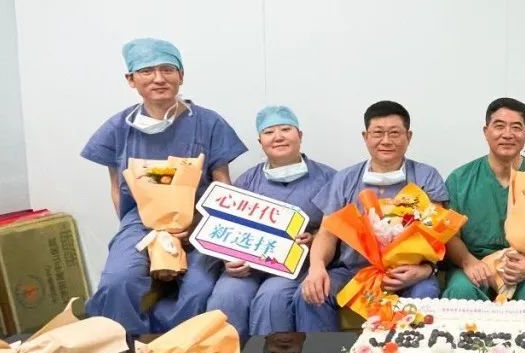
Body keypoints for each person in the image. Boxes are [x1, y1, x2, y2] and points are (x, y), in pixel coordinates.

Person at [81, 38, 247, 335]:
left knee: (198, 290)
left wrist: (203, 226)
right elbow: (117, 187)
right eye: (146, 71)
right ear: (130, 80)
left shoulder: (208, 123)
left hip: (200, 219)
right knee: (118, 280)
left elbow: (223, 185)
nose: (158, 78)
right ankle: (128, 350)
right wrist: (144, 232)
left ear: (180, 75)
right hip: (141, 223)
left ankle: (177, 349)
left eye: (168, 69)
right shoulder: (118, 129)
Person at [296, 101, 446, 330]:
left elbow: (437, 234)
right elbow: (327, 233)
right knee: (311, 293)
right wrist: (316, 267)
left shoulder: (426, 177)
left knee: (425, 293)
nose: (386, 140)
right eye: (378, 133)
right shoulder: (345, 179)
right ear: (365, 137)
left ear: (408, 136)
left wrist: (425, 270)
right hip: (352, 271)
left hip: (407, 273)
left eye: (394, 133)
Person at [204, 106, 335, 337]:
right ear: (260, 141)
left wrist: (314, 238)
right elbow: (224, 227)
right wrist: (229, 258)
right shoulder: (247, 181)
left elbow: (337, 228)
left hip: (294, 266)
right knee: (226, 297)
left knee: (272, 299)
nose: (278, 137)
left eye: (286, 129)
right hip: (248, 267)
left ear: (300, 135)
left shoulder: (329, 179)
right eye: (269, 132)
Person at [442, 97, 525, 300]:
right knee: (460, 291)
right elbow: (450, 235)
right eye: (499, 126)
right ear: (486, 131)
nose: (507, 134)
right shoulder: (460, 179)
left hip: (524, 268)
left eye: (516, 127)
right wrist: (468, 261)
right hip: (474, 265)